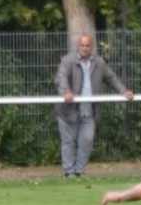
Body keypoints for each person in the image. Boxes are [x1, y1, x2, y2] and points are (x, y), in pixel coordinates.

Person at [54, 34, 133, 178]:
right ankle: (68, 172)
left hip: (89, 110)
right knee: (68, 141)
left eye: (87, 46)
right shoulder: (67, 61)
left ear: (91, 47)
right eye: (82, 45)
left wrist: (123, 90)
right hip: (68, 111)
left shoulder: (99, 62)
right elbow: (61, 78)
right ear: (78, 46)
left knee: (87, 140)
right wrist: (66, 92)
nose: (84, 48)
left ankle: (79, 170)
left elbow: (111, 78)